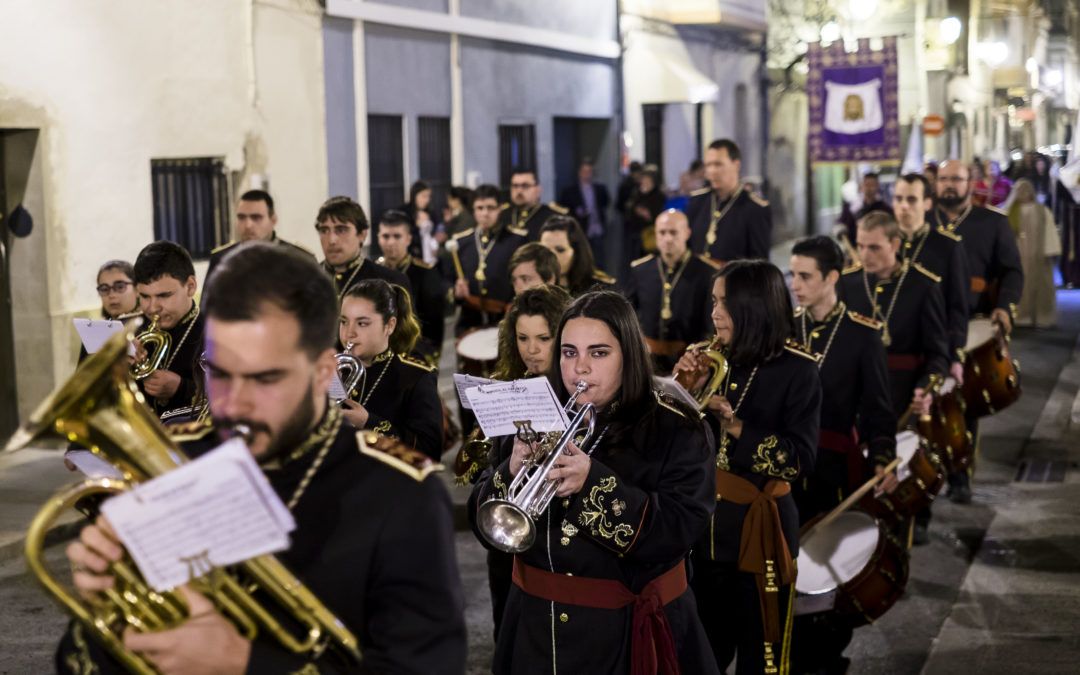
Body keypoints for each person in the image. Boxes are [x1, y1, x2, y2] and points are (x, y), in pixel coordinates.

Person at [57, 243, 466, 673]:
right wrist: (106, 606)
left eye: (265, 376)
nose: (234, 404)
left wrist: (240, 661)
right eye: (219, 371)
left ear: (325, 371)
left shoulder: (403, 498)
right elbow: (78, 658)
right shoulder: (179, 463)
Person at [470, 290, 719, 674]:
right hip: (535, 631)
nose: (580, 368)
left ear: (628, 356)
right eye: (569, 353)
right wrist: (511, 470)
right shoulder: (531, 416)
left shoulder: (677, 427)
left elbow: (680, 529)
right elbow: (486, 523)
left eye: (598, 353)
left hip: (625, 636)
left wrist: (592, 483)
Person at [676, 260, 820, 674]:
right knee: (700, 654)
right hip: (702, 531)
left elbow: (798, 461)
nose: (714, 314)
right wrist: (684, 391)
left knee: (763, 658)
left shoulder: (798, 369)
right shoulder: (706, 358)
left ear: (755, 308)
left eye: (725, 304)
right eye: (714, 301)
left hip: (761, 532)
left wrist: (735, 425)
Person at [788, 236, 898, 674]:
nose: (794, 284)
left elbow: (878, 408)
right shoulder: (783, 328)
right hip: (786, 467)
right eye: (792, 274)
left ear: (832, 277)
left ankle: (826, 658)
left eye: (805, 276)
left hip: (835, 471)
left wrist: (884, 454)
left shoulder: (861, 334)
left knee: (826, 575)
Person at [456, 284, 572, 640]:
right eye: (522, 338)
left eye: (543, 338)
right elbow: (488, 473)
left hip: (559, 547)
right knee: (508, 636)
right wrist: (511, 464)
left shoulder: (582, 395)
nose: (531, 351)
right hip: (508, 546)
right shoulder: (511, 387)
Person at [840, 212, 949, 544]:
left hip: (902, 394)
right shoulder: (848, 283)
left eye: (874, 248)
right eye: (860, 247)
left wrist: (925, 388)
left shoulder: (924, 285)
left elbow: (937, 354)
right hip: (857, 397)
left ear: (895, 244)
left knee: (897, 479)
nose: (865, 255)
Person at [932, 159, 1025, 504]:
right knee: (925, 406)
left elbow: (1013, 271)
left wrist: (1005, 308)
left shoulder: (992, 224)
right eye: (943, 179)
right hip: (928, 326)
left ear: (970, 183)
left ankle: (960, 476)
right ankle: (926, 483)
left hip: (972, 325)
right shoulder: (924, 224)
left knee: (963, 405)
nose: (949, 185)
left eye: (956, 179)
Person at [338, 279, 443, 461]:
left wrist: (368, 422)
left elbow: (429, 452)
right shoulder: (332, 369)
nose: (349, 333)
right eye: (344, 322)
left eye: (362, 323)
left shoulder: (417, 376)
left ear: (389, 325)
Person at [892, 173, 969, 384]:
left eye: (911, 199)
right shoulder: (883, 247)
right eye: (898, 199)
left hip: (933, 354)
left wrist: (955, 356)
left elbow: (957, 307)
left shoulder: (948, 247)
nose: (904, 206)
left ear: (927, 203)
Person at [627, 209, 718, 372]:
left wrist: (696, 359)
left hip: (688, 362)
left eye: (673, 232)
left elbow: (709, 325)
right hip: (646, 361)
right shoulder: (641, 269)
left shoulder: (706, 272)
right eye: (662, 232)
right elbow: (627, 314)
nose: (668, 238)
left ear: (687, 233)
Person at [131, 241, 205, 418]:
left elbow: (234, 397)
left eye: (164, 296)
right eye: (144, 296)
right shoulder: (133, 330)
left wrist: (181, 388)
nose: (153, 308)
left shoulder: (216, 331)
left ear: (190, 286)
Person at [447, 184, 527, 331]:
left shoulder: (516, 241)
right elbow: (448, 281)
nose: (485, 213)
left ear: (499, 209)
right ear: (473, 210)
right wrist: (456, 292)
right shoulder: (462, 242)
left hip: (504, 321)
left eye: (491, 208)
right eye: (480, 208)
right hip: (469, 322)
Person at [376, 209, 446, 361]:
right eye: (385, 236)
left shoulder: (425, 272)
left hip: (414, 354)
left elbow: (434, 325)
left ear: (408, 239)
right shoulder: (373, 271)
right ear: (378, 238)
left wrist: (426, 356)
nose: (391, 242)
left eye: (397, 236)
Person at [687, 139, 772, 264]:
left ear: (736, 165)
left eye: (718, 164)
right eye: (708, 165)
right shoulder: (697, 201)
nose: (712, 171)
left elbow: (760, 263)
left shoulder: (755, 208)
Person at [314, 196, 412, 301]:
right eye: (324, 230)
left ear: (362, 235)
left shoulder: (390, 282)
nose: (331, 240)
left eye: (341, 230)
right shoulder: (306, 280)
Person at [207, 190, 315, 280]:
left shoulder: (300, 260)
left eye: (256, 217)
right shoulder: (222, 259)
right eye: (241, 217)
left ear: (273, 220)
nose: (248, 225)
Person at [1007, 179, 1058, 327]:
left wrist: (1050, 250)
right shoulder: (1010, 212)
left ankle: (1041, 317)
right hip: (1018, 255)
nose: (1024, 194)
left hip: (1038, 256)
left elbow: (1049, 230)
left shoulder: (1042, 211)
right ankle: (1020, 317)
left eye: (1027, 190)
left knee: (1041, 287)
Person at [539, 215, 616, 296]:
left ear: (577, 252)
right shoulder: (531, 286)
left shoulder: (600, 290)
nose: (551, 256)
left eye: (560, 250)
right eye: (545, 250)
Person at [79, 260, 140, 362]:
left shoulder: (152, 328)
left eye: (120, 286)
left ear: (137, 289)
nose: (111, 295)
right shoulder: (95, 332)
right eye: (104, 289)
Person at [559, 158, 611, 267]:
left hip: (596, 228)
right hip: (580, 229)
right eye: (584, 171)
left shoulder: (600, 189)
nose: (587, 174)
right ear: (579, 173)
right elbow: (564, 208)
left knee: (599, 258)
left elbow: (606, 203)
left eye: (589, 172)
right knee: (582, 258)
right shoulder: (570, 191)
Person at [497, 167, 567, 241]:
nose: (519, 190)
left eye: (525, 186)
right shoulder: (502, 214)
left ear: (538, 190)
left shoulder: (551, 216)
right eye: (515, 186)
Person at [623, 164, 666, 260]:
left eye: (648, 181)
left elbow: (657, 214)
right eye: (643, 180)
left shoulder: (658, 196)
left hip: (651, 235)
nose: (645, 183)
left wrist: (647, 214)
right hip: (635, 234)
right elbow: (628, 210)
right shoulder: (636, 194)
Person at [838, 172, 893, 244]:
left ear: (877, 186)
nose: (869, 188)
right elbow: (842, 222)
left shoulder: (885, 209)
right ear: (862, 186)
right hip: (854, 247)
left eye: (872, 185)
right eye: (866, 185)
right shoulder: (852, 207)